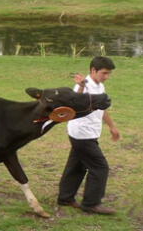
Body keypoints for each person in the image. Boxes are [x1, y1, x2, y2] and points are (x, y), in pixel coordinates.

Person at [57, 56, 120, 215]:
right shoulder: (84, 85)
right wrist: (80, 87)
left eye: (109, 74)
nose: (107, 77)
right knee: (100, 167)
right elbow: (75, 101)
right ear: (93, 70)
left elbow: (102, 108)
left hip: (88, 133)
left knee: (77, 166)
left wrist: (112, 126)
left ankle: (65, 198)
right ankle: (91, 204)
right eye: (104, 73)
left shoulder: (99, 86)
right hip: (82, 134)